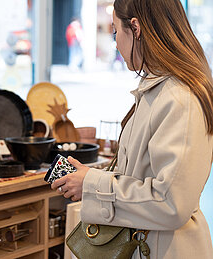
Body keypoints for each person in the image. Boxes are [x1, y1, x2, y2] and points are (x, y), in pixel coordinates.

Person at [52, 0, 213, 258]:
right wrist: (88, 177)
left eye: (116, 32)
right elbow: (141, 175)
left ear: (135, 28)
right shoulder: (158, 90)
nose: (115, 43)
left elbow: (171, 203)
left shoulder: (179, 97)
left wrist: (92, 185)